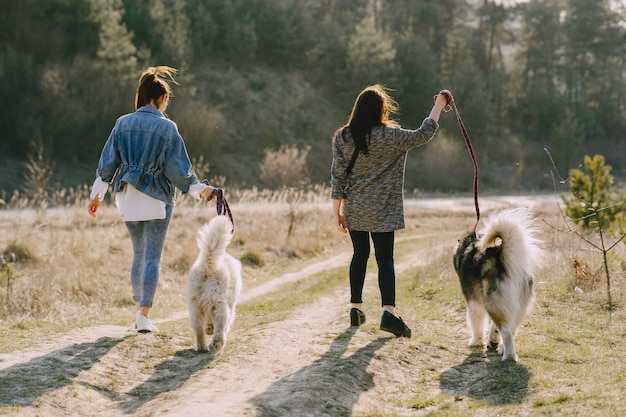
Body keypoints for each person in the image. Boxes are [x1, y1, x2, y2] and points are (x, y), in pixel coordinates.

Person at [88, 66, 215, 333]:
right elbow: (177, 170)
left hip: (127, 195)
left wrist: (96, 195)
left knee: (138, 254)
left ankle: (139, 312)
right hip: (156, 197)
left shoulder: (123, 123)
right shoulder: (167, 127)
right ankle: (144, 317)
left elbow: (108, 162)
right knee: (152, 258)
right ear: (161, 99)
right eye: (167, 99)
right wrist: (200, 190)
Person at [330, 85, 452, 338]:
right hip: (384, 208)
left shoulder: (342, 137)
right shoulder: (392, 136)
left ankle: (355, 308)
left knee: (359, 255)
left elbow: (337, 177)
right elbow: (424, 133)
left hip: (355, 208)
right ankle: (388, 312)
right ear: (381, 110)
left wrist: (337, 212)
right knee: (385, 259)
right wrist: (439, 104)